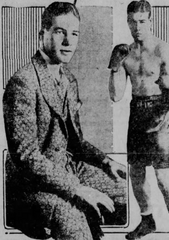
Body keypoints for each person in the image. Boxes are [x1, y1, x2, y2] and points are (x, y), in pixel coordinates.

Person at [3, 2, 127, 240]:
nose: (69, 42)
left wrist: (104, 161)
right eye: (60, 32)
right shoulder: (23, 83)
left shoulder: (68, 80)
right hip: (32, 186)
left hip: (68, 168)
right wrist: (76, 189)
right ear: (43, 35)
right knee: (74, 222)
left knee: (122, 191)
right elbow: (27, 157)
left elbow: (76, 142)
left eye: (74, 34)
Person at [108, 0, 169, 240]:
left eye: (142, 21)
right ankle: (147, 221)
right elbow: (116, 95)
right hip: (137, 114)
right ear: (127, 22)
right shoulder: (126, 53)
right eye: (132, 22)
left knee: (163, 177)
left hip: (159, 114)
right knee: (136, 173)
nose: (137, 27)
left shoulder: (164, 50)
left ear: (150, 21)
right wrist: (114, 68)